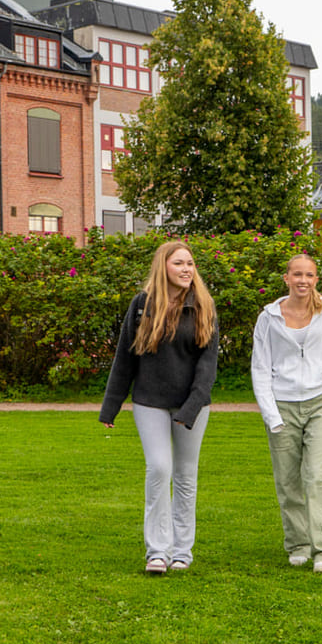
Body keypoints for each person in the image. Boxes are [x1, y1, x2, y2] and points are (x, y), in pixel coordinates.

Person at [100, 241, 219, 575]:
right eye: (179, 263)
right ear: (163, 267)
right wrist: (111, 407)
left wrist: (191, 407)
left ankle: (182, 551)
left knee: (185, 476)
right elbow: (125, 357)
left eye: (190, 264)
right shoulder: (142, 305)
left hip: (191, 406)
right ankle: (157, 551)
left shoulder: (203, 306)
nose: (186, 269)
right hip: (149, 401)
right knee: (158, 469)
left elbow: (207, 366)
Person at [251, 253, 322, 574]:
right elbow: (260, 369)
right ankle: (298, 544)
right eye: (297, 274)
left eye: (309, 275)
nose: (303, 281)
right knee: (288, 480)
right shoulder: (269, 317)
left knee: (318, 475)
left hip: (321, 402)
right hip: (282, 405)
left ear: (315, 279)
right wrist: (272, 415)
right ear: (286, 278)